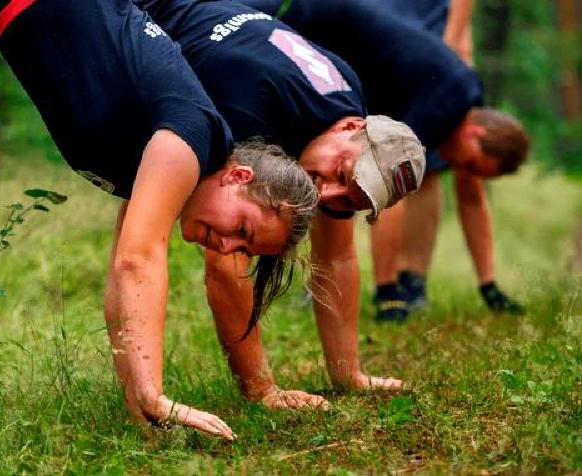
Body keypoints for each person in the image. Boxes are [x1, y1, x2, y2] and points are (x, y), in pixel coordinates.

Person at [0, 0, 321, 439]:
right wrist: (155, 393)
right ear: (239, 176)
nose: (227, 248)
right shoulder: (190, 140)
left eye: (243, 250)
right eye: (243, 231)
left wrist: (142, 399)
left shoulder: (167, 160)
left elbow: (123, 278)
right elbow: (139, 261)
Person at [134, 0, 426, 411]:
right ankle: (141, 392)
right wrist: (262, 390)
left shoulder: (344, 115)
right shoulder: (253, 103)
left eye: (352, 200)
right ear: (350, 128)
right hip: (138, 16)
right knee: (142, 227)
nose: (327, 197)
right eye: (342, 177)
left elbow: (338, 254)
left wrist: (348, 374)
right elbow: (225, 260)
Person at [367, 0, 527, 321]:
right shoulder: (443, 93)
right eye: (470, 163)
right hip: (397, 39)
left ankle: (412, 283)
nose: (463, 169)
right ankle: (371, 286)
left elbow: (471, 196)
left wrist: (488, 283)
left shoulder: (465, 98)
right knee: (397, 168)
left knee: (427, 172)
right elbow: (390, 180)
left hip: (440, 39)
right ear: (476, 133)